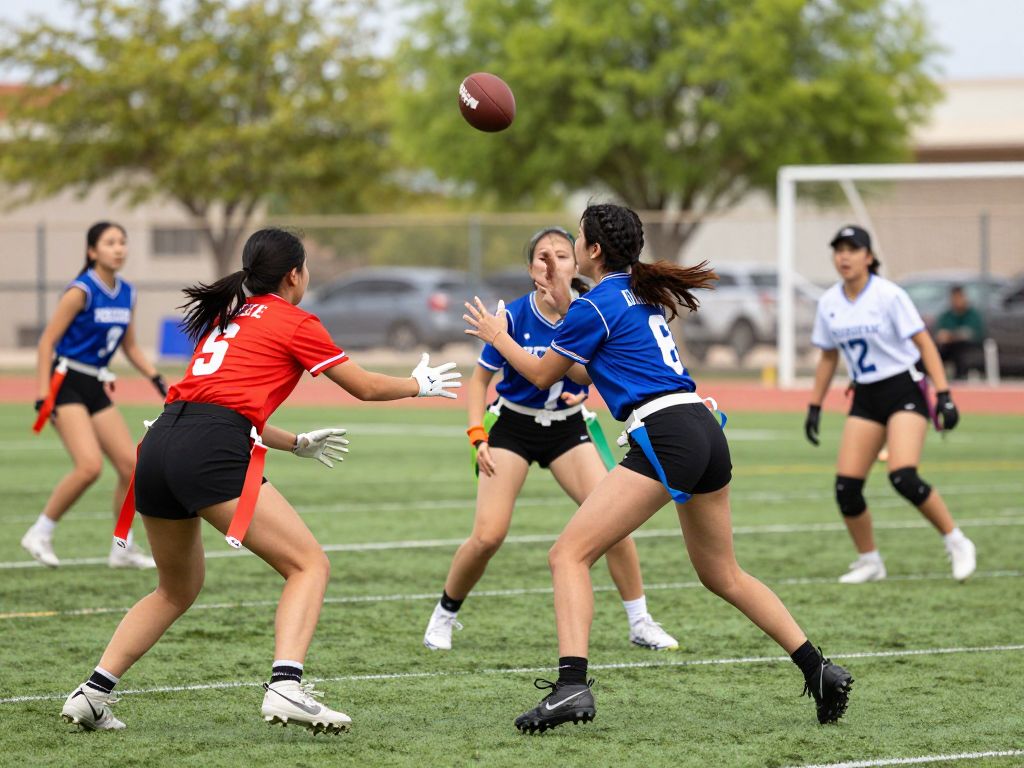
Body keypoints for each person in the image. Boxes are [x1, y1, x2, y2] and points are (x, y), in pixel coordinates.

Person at [464, 204, 852, 734]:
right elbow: (587, 365)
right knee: (723, 574)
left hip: (666, 433)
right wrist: (562, 305)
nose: (573, 248)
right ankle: (819, 668)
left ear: (594, 250)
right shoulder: (633, 293)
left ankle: (572, 686)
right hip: (703, 428)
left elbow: (536, 374)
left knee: (567, 555)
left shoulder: (594, 304)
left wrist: (496, 333)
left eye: (578, 240)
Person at [59, 228, 460, 734]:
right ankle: (286, 686)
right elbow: (363, 386)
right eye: (306, 267)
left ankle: (92, 694)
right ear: (294, 274)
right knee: (308, 565)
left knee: (175, 589)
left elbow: (217, 402)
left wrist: (295, 442)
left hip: (159, 443)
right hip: (206, 448)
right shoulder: (294, 320)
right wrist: (417, 385)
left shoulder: (226, 318)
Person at [423, 227, 678, 653]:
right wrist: (477, 434)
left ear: (577, 263)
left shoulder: (589, 309)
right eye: (543, 255)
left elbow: (595, 371)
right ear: (530, 268)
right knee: (488, 535)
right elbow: (480, 380)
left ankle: (640, 620)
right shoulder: (514, 315)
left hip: (568, 426)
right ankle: (444, 614)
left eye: (562, 254)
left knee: (615, 526)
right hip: (514, 427)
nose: (553, 262)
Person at [804, 225, 976, 585]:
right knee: (846, 487)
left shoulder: (888, 295)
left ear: (869, 256)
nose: (844, 256)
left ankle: (956, 540)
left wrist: (943, 394)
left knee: (902, 475)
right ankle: (870, 561)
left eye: (853, 249)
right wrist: (815, 405)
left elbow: (925, 343)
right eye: (839, 250)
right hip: (865, 395)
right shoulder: (830, 302)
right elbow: (827, 357)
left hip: (903, 389)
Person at [22, 222, 165, 569]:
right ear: (92, 251)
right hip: (66, 381)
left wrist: (154, 376)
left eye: (123, 242)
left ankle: (122, 547)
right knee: (89, 467)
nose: (118, 248)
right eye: (110, 242)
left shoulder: (128, 293)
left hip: (96, 385)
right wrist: (44, 395)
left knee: (132, 466)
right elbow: (46, 343)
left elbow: (128, 345)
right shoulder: (81, 290)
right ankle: (39, 532)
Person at [935, 285, 986, 380]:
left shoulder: (972, 314)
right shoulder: (947, 315)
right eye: (954, 298)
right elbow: (940, 333)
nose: (957, 301)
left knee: (960, 351)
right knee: (936, 352)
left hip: (968, 348)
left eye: (959, 297)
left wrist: (952, 336)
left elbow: (971, 334)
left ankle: (960, 378)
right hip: (948, 348)